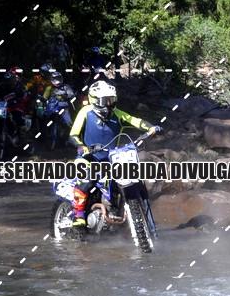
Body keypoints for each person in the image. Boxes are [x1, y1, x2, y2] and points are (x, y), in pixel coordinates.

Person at [67, 80, 162, 228]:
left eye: (111, 100)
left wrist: (151, 128)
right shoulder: (86, 112)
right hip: (88, 157)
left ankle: (119, 210)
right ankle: (78, 214)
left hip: (112, 158)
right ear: (94, 100)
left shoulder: (117, 113)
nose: (109, 104)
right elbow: (73, 135)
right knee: (86, 179)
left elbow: (135, 121)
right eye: (105, 101)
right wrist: (81, 147)